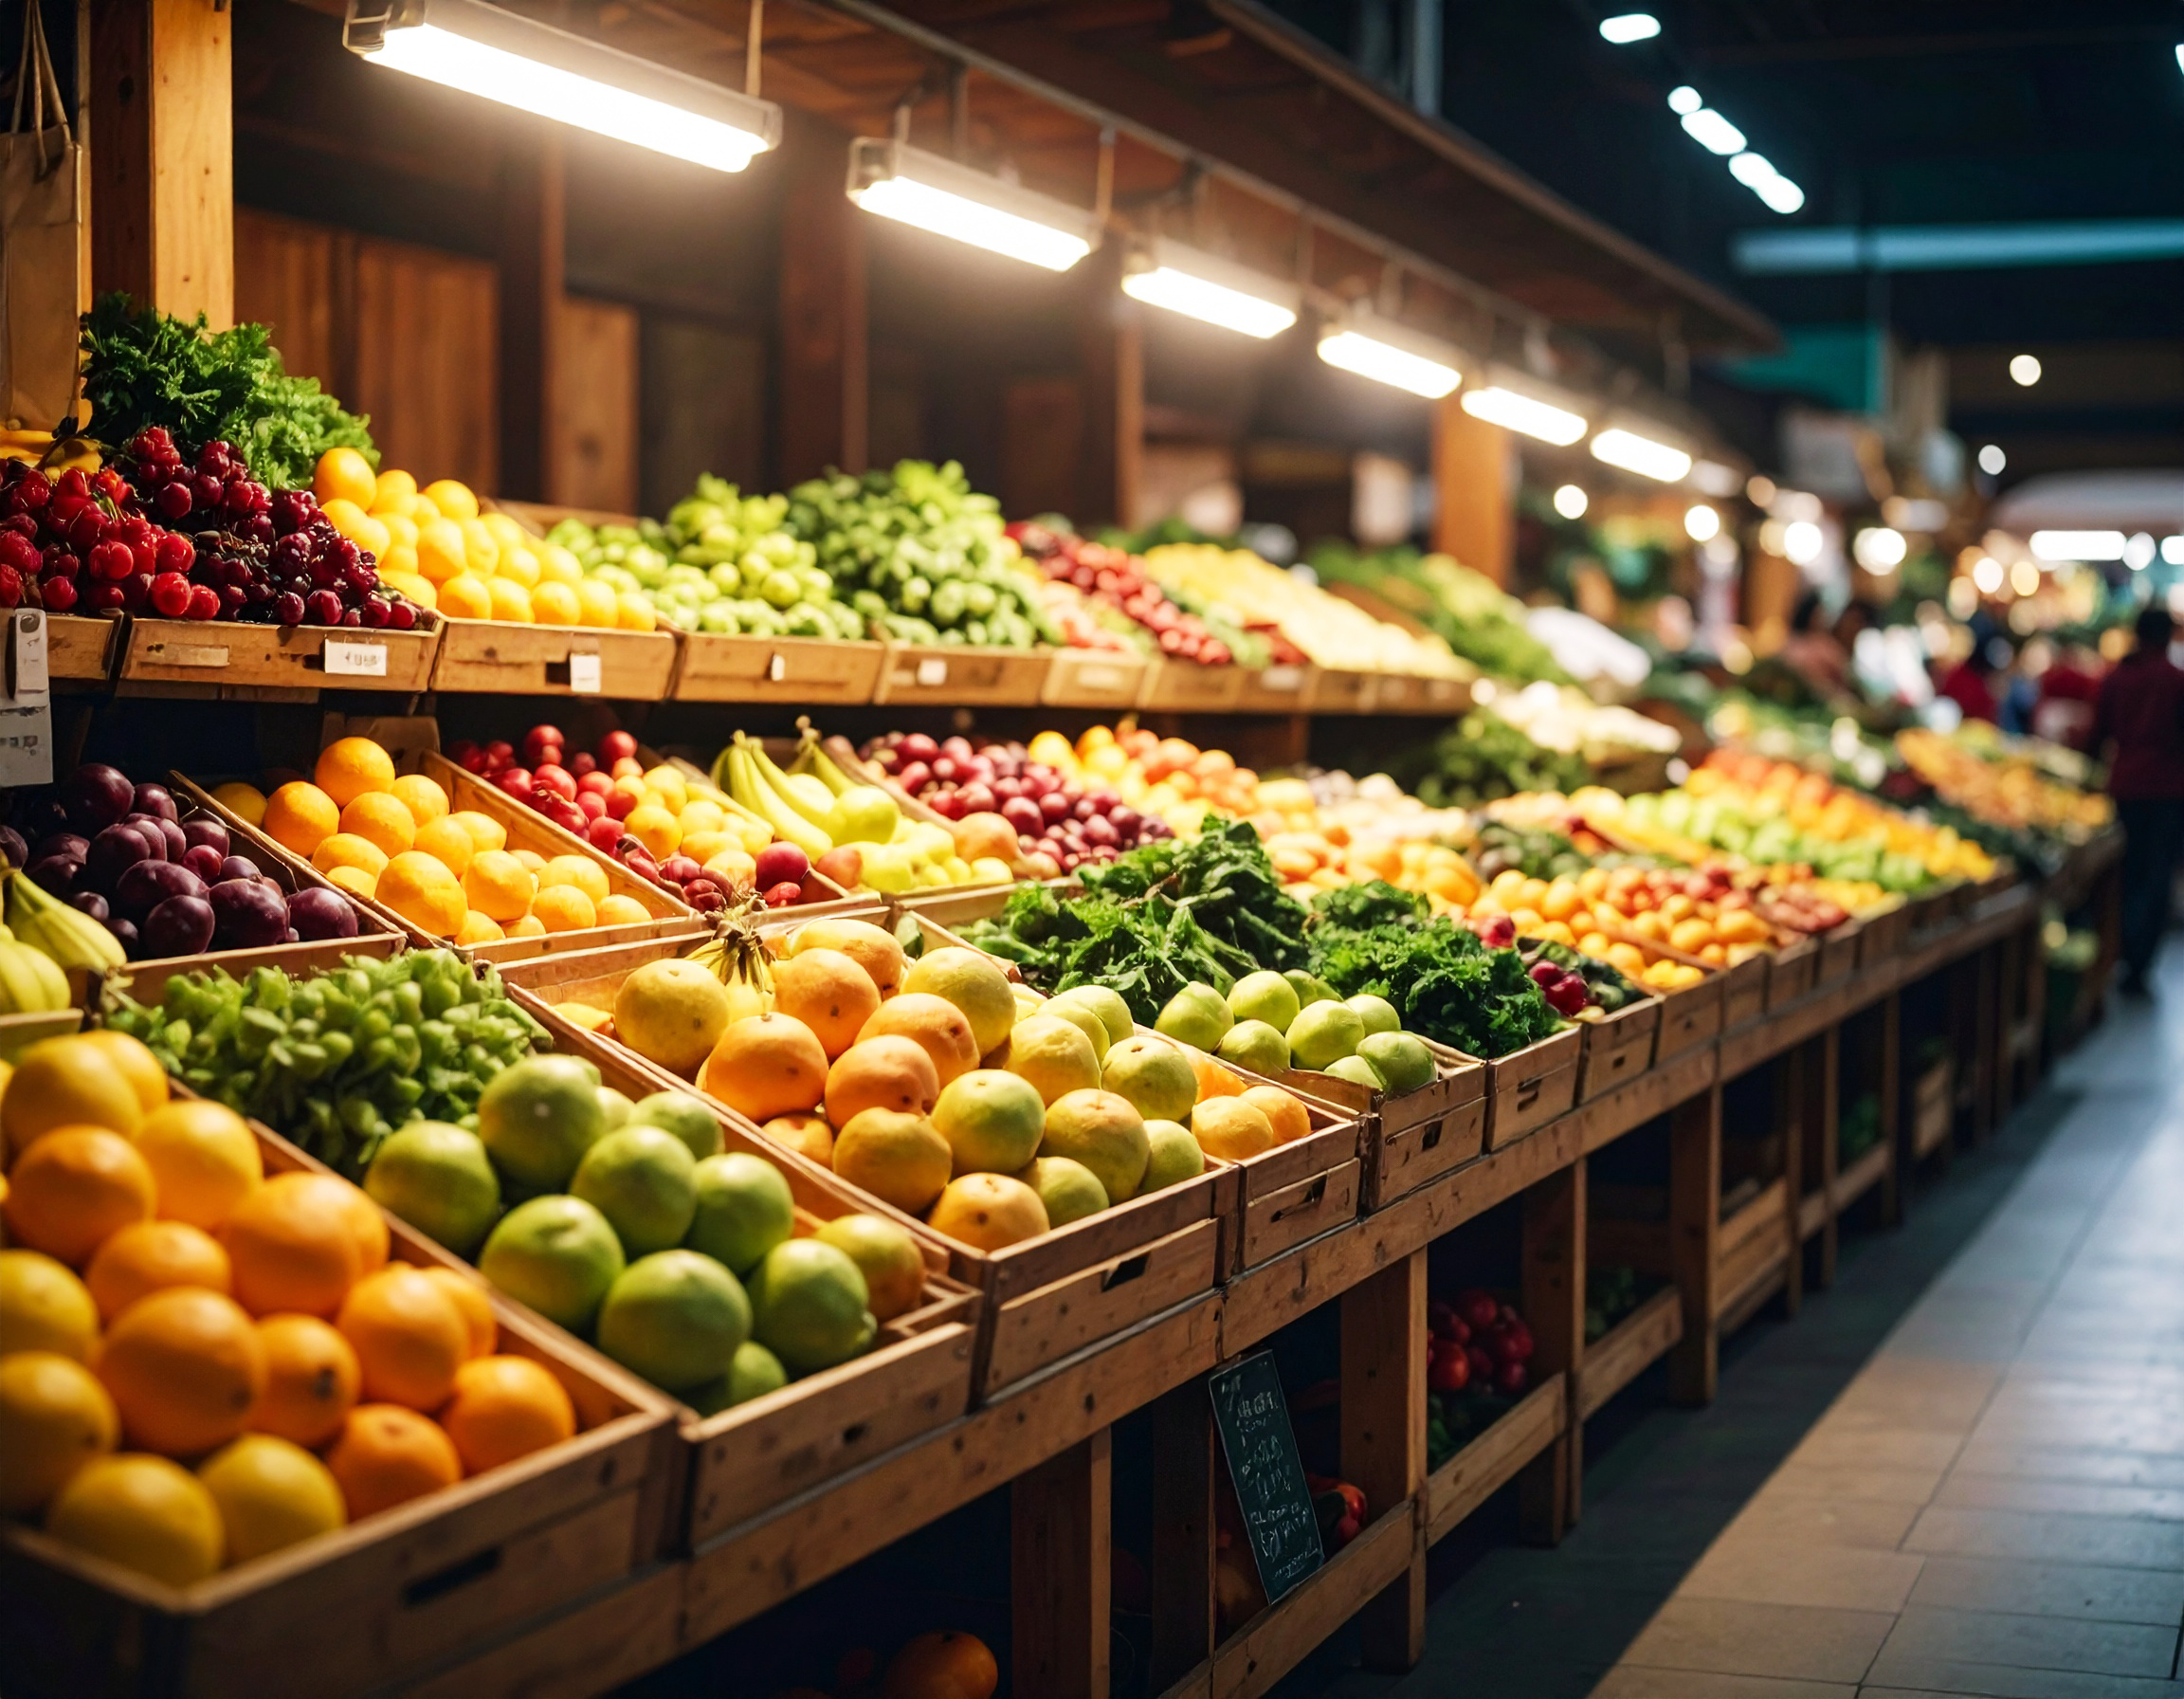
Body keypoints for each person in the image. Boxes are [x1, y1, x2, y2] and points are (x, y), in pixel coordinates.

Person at [2091, 606, 2184, 996]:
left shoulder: (2117, 678)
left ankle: (2124, 950)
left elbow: (2097, 732)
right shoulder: (2176, 681)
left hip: (2126, 785)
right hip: (2167, 790)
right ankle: (2139, 957)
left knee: (2127, 872)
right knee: (2156, 873)